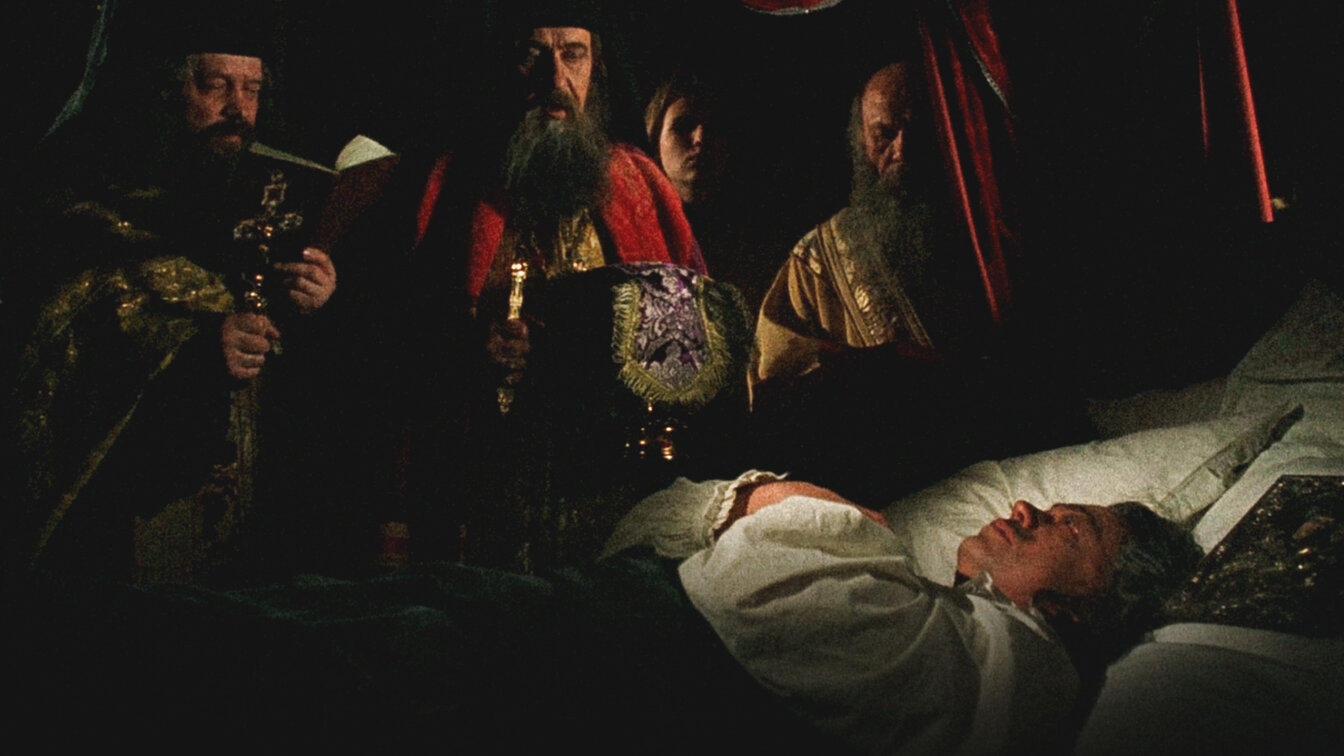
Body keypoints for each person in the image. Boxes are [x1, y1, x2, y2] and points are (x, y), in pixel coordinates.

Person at [5, 472, 1201, 754]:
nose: (1029, 508)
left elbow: (768, 588)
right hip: (576, 620)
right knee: (297, 616)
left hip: (586, 667)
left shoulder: (1025, 675)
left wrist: (784, 499)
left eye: (1069, 526)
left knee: (259, 654)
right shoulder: (975, 624)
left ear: (1093, 604)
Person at [359, 0, 710, 571]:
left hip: (610, 488)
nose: (555, 77)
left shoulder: (643, 185)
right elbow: (391, 340)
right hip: (479, 493)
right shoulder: (447, 186)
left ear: (596, 67)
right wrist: (469, 348)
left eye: (573, 54)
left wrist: (567, 352)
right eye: (533, 54)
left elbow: (695, 338)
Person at [4, 8, 345, 585]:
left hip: (246, 512)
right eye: (216, 86)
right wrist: (198, 348)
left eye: (252, 90)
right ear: (168, 89)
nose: (238, 109)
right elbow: (69, 334)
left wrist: (311, 299)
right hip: (126, 517)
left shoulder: (263, 198)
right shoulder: (89, 203)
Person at [752, 61, 987, 389]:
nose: (903, 150)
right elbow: (775, 383)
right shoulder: (815, 261)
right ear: (861, 140)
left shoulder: (987, 236)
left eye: (920, 131)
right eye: (885, 135)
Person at [645, 72, 773, 314]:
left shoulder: (755, 243)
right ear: (656, 144)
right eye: (683, 126)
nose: (700, 138)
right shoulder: (640, 232)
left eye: (714, 127)